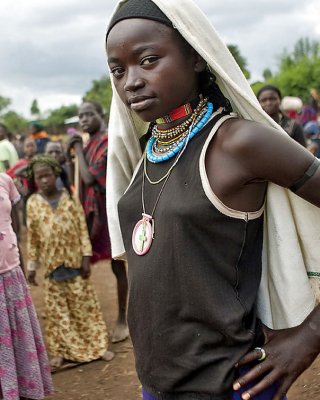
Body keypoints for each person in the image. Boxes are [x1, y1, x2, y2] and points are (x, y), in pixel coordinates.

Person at [105, 1, 320, 399]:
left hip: (230, 384)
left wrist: (309, 336)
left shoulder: (238, 143)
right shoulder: (148, 151)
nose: (131, 81)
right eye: (118, 70)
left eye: (148, 60)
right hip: (158, 383)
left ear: (197, 57)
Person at [26, 155, 114, 370]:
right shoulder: (33, 204)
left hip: (75, 263)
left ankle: (98, 345)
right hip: (51, 268)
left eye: (47, 175)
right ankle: (61, 352)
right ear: (35, 180)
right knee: (58, 314)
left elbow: (82, 230)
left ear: (56, 174)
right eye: (39, 177)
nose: (44, 180)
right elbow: (34, 237)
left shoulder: (70, 198)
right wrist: (31, 266)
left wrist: (86, 257)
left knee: (84, 307)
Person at [66, 101, 129, 343]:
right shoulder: (88, 141)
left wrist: (79, 151)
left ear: (100, 115)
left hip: (108, 211)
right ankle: (84, 323)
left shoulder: (106, 141)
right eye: (80, 116)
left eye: (88, 114)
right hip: (89, 211)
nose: (83, 120)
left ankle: (123, 320)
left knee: (117, 263)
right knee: (82, 263)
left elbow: (90, 178)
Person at [0, 172, 53, 400]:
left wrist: (21, 261)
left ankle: (19, 389)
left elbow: (14, 225)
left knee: (17, 336)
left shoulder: (5, 181)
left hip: (10, 272)